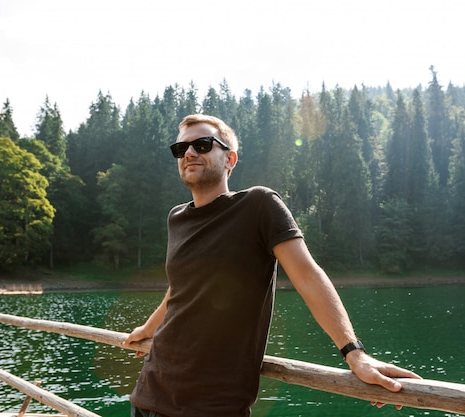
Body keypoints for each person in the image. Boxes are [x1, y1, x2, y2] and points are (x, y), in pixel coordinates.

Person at [123, 114, 420, 417]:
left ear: (230, 159)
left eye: (202, 145)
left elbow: (307, 276)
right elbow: (179, 288)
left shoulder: (258, 205)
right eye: (180, 148)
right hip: (148, 394)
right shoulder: (177, 218)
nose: (189, 153)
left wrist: (355, 354)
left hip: (211, 406)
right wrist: (147, 328)